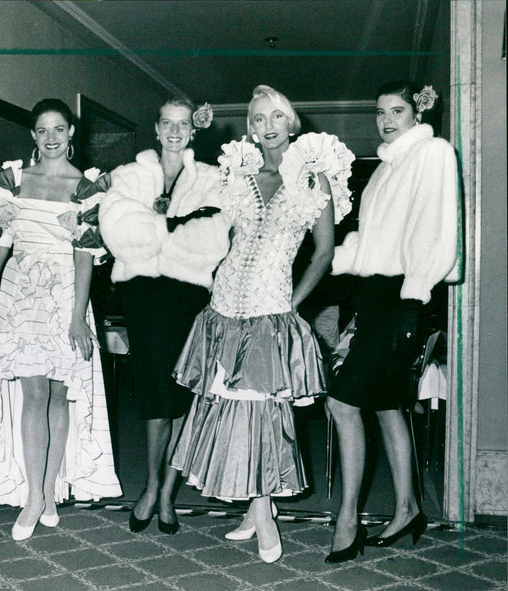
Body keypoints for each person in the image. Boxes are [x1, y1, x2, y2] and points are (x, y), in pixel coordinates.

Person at [170, 85, 355, 563]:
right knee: (230, 406)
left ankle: (262, 510)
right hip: (225, 304)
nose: (266, 126)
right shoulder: (241, 172)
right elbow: (224, 237)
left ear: (291, 122)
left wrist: (292, 302)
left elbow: (325, 252)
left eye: (275, 116)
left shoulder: (315, 176)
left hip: (272, 307)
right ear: (250, 127)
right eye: (257, 119)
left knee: (262, 412)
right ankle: (257, 510)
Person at [0, 98, 122, 541]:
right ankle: (34, 496)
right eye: (43, 130)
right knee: (32, 393)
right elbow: (0, 243)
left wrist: (78, 318)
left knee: (59, 397)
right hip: (21, 296)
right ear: (33, 136)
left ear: (71, 133)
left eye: (60, 129)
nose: (52, 137)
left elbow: (85, 256)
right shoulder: (10, 180)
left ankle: (51, 491)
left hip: (65, 295)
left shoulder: (89, 187)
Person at [325, 81, 458, 563]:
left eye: (396, 110)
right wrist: (335, 264)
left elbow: (439, 229)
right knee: (385, 405)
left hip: (403, 293)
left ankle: (347, 519)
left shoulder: (433, 152)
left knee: (341, 402)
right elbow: (367, 239)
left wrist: (413, 297)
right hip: (374, 293)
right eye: (380, 111)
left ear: (416, 112)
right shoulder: (384, 167)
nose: (386, 119)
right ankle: (406, 508)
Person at [99, 96, 231, 535]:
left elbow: (214, 239)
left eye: (183, 125)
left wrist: (157, 232)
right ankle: (152, 487)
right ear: (156, 129)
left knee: (182, 397)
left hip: (187, 296)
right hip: (142, 295)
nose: (175, 132)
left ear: (193, 131)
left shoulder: (213, 178)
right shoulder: (130, 175)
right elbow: (117, 229)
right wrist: (174, 227)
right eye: (167, 124)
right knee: (155, 395)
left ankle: (166, 492)